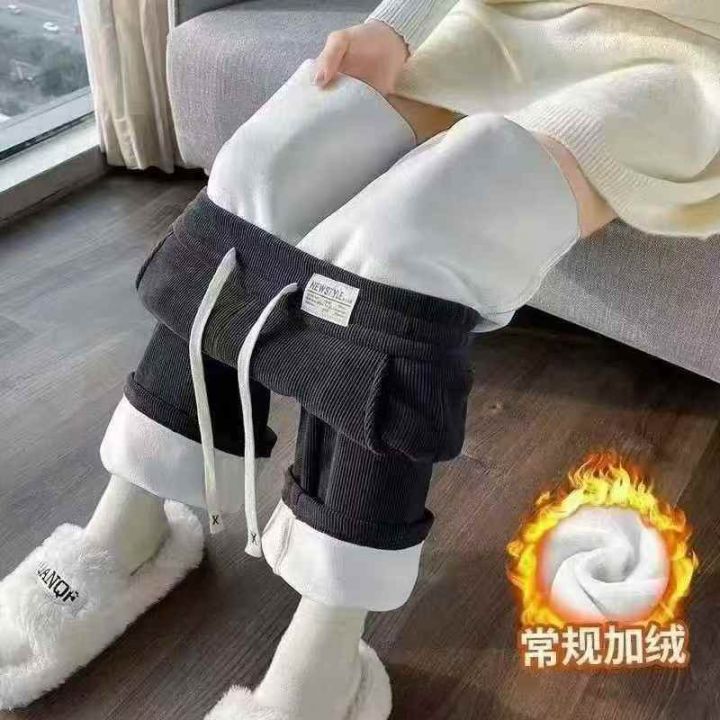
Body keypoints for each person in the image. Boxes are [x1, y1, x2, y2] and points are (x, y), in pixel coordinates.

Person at [1, 0, 719, 717]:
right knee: (268, 164)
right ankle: (125, 528)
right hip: (509, 17)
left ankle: (329, 640)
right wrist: (397, 26)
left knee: (411, 238)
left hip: (683, 60)